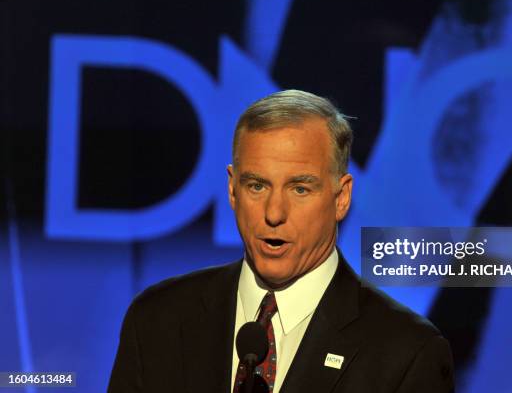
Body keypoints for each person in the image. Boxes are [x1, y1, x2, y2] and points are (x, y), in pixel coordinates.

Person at [108, 90, 454, 392]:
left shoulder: (406, 352)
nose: (274, 213)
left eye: (300, 188)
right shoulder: (157, 320)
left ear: (341, 197)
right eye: (257, 186)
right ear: (232, 189)